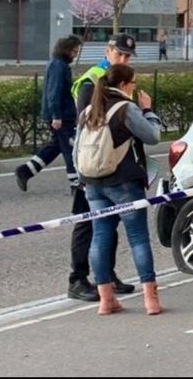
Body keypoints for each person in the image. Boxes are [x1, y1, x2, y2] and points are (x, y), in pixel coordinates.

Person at [74, 64, 163, 316]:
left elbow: (77, 147)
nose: (134, 87)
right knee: (138, 238)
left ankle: (106, 300)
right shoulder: (127, 108)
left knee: (100, 236)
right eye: (133, 83)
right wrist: (148, 110)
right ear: (124, 85)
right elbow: (152, 136)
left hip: (93, 183)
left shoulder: (89, 110)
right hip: (124, 182)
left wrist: (82, 180)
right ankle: (151, 300)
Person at [66, 33, 138, 301]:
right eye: (119, 54)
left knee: (109, 222)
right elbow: (88, 124)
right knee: (86, 223)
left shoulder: (123, 79)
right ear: (107, 51)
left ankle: (106, 276)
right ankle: (77, 279)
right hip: (91, 162)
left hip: (112, 164)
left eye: (127, 56)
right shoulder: (91, 80)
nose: (123, 59)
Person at [15, 35, 83, 193]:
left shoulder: (58, 64)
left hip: (61, 114)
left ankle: (26, 171)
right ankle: (76, 184)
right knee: (69, 149)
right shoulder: (58, 66)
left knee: (56, 146)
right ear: (66, 49)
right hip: (61, 116)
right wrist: (56, 116)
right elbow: (54, 92)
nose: (75, 54)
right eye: (74, 51)